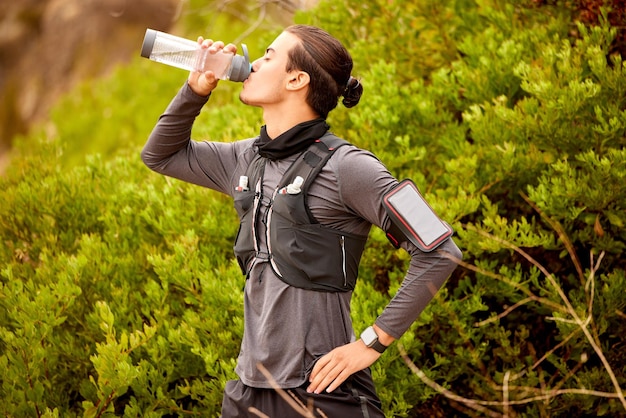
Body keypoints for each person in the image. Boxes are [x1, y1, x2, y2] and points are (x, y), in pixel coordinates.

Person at [142, 24, 462, 417]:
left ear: (297, 79)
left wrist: (370, 343)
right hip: (246, 394)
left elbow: (440, 251)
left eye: (269, 55)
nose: (254, 63)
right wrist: (196, 90)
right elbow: (161, 155)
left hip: (323, 392)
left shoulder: (351, 168)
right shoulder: (244, 159)